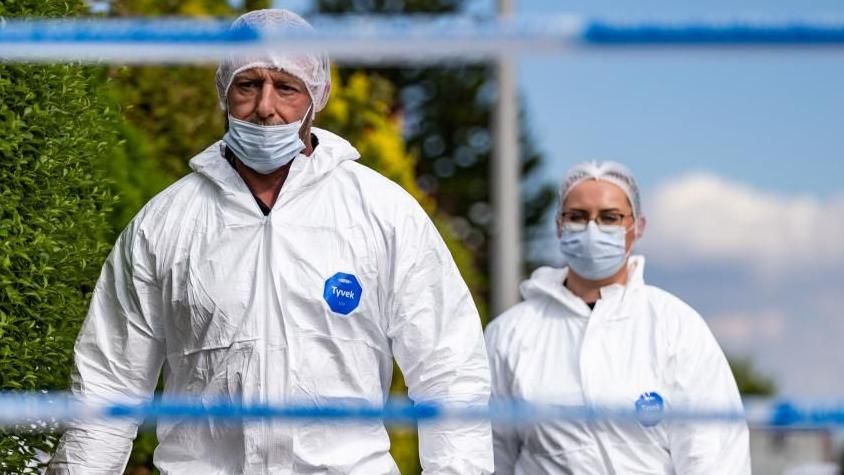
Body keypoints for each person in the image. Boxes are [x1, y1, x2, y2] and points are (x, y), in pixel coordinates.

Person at [48, 9, 493, 474]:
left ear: (315, 96)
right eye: (248, 84)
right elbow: (108, 386)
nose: (265, 106)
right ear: (224, 90)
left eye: (286, 87)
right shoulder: (163, 225)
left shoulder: (383, 213)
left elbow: (449, 370)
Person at [484, 161, 750, 474]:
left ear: (637, 227)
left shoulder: (676, 327)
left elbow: (713, 451)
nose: (592, 229)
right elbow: (488, 452)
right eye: (577, 217)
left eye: (610, 218)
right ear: (559, 225)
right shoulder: (510, 334)